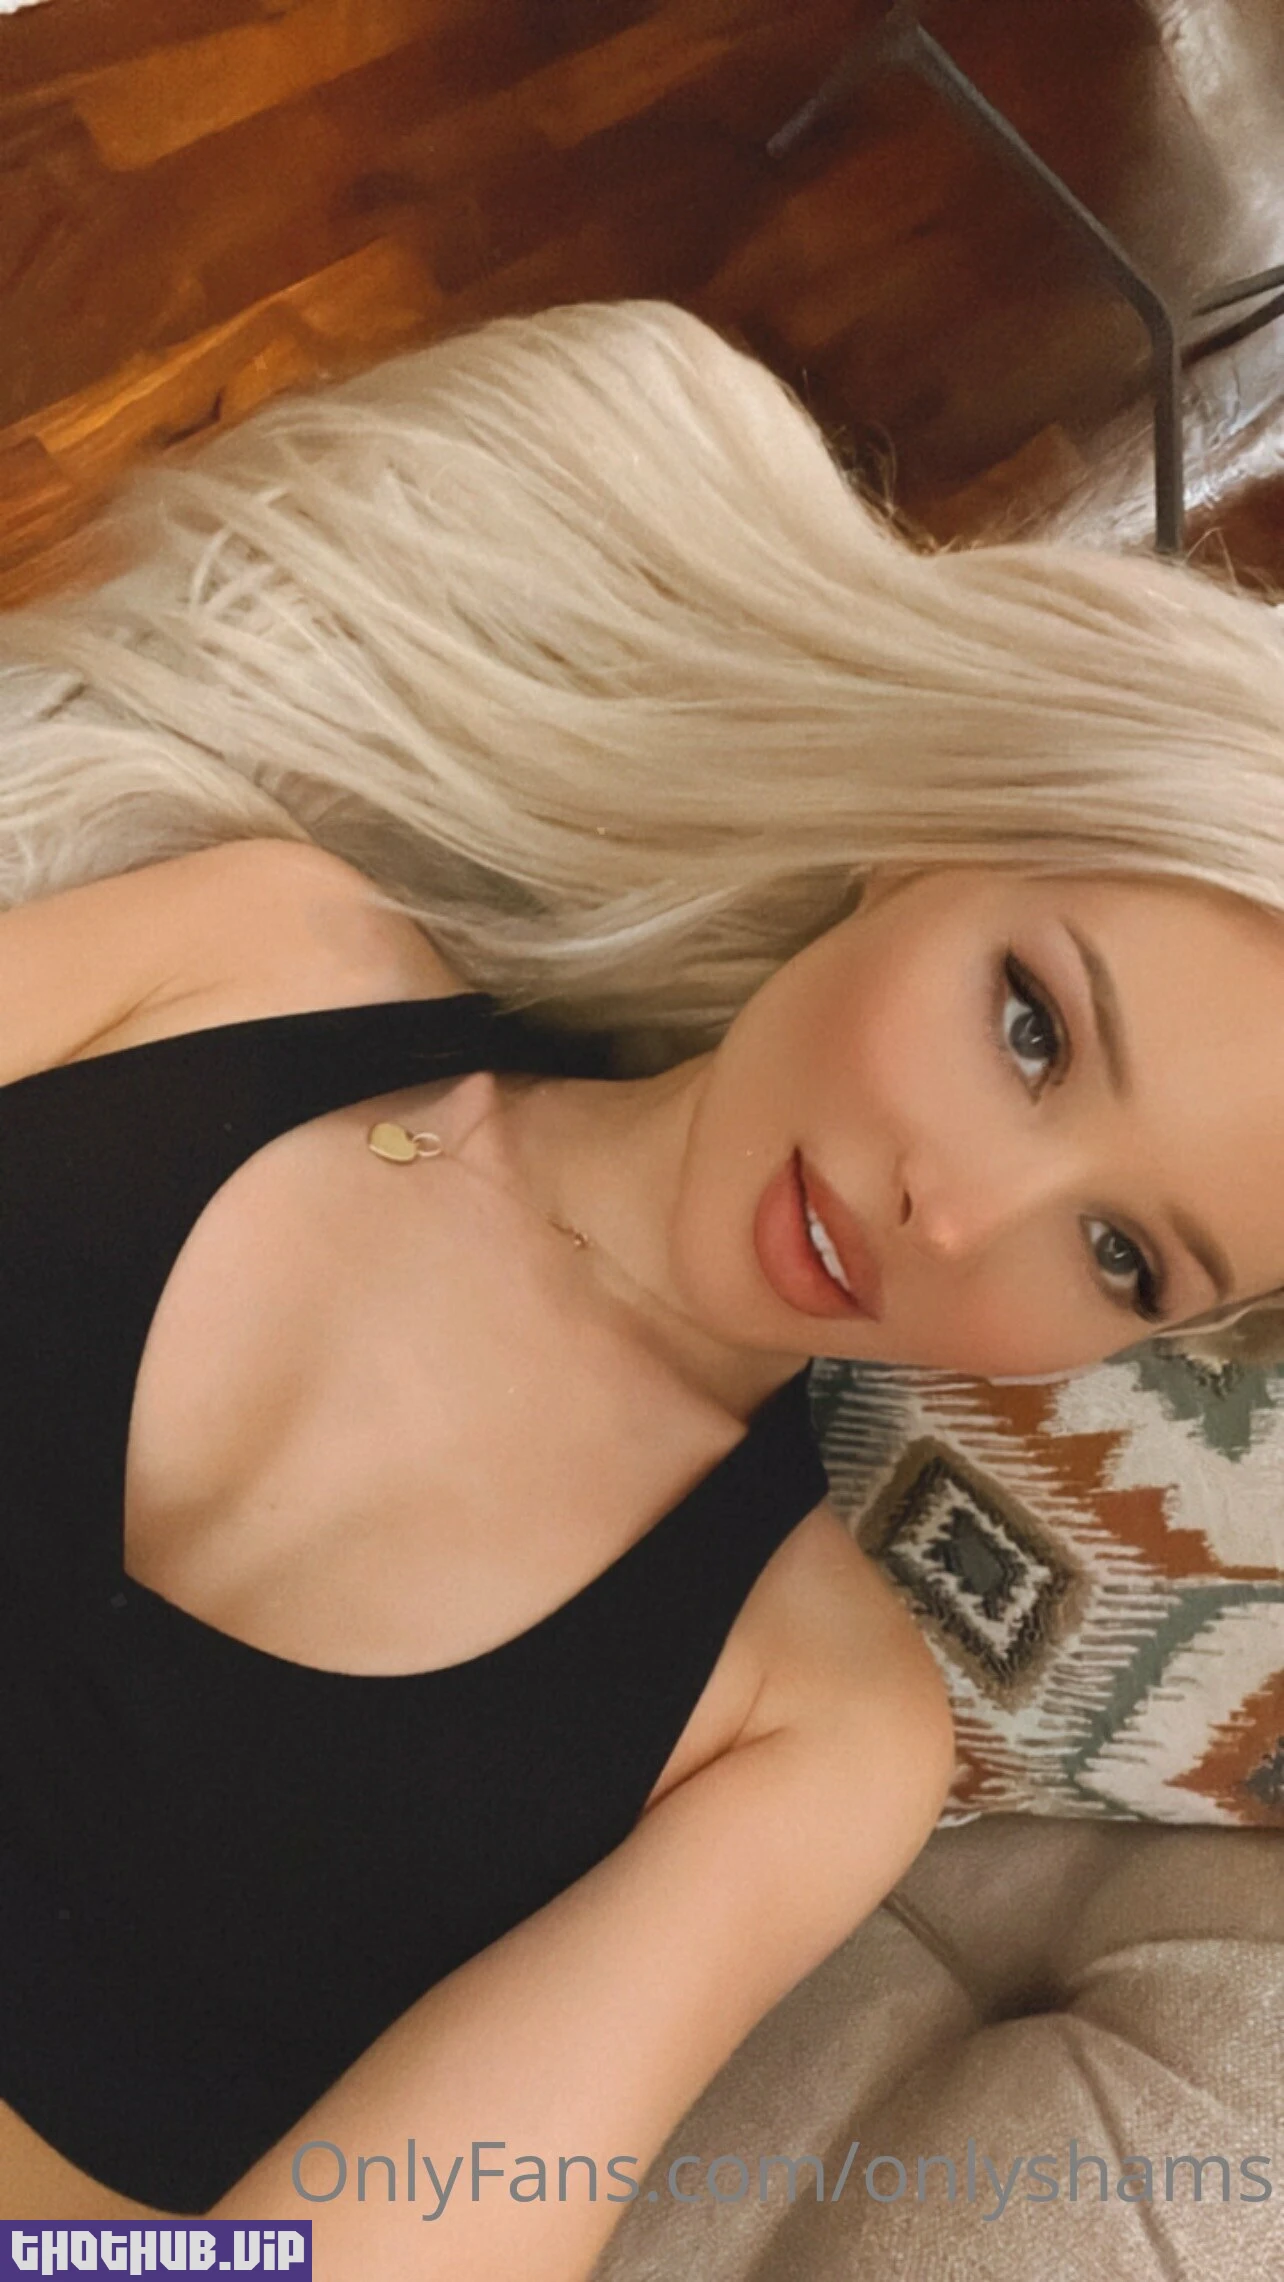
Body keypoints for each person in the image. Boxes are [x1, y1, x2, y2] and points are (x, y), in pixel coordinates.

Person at [0, 297, 1281, 2279]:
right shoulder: (265, 945)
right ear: (926, 853)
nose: (959, 1216)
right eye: (1030, 1024)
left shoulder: (817, 1717)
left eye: (1120, 1256)